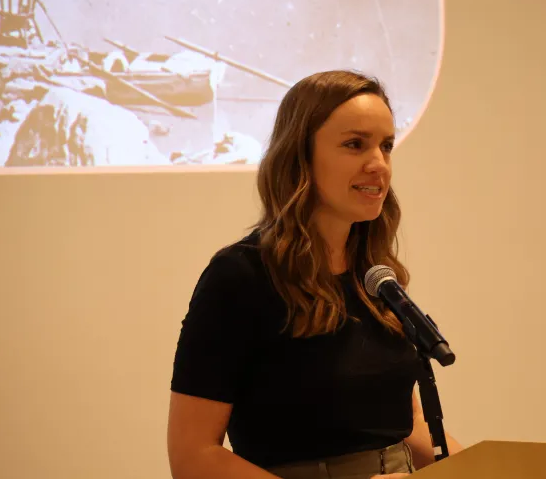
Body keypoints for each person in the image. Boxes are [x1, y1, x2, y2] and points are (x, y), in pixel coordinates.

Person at [167, 70, 463, 479]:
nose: (379, 164)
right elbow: (193, 457)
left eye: (387, 146)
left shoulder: (377, 279)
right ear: (300, 156)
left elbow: (408, 426)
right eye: (355, 144)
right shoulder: (239, 277)